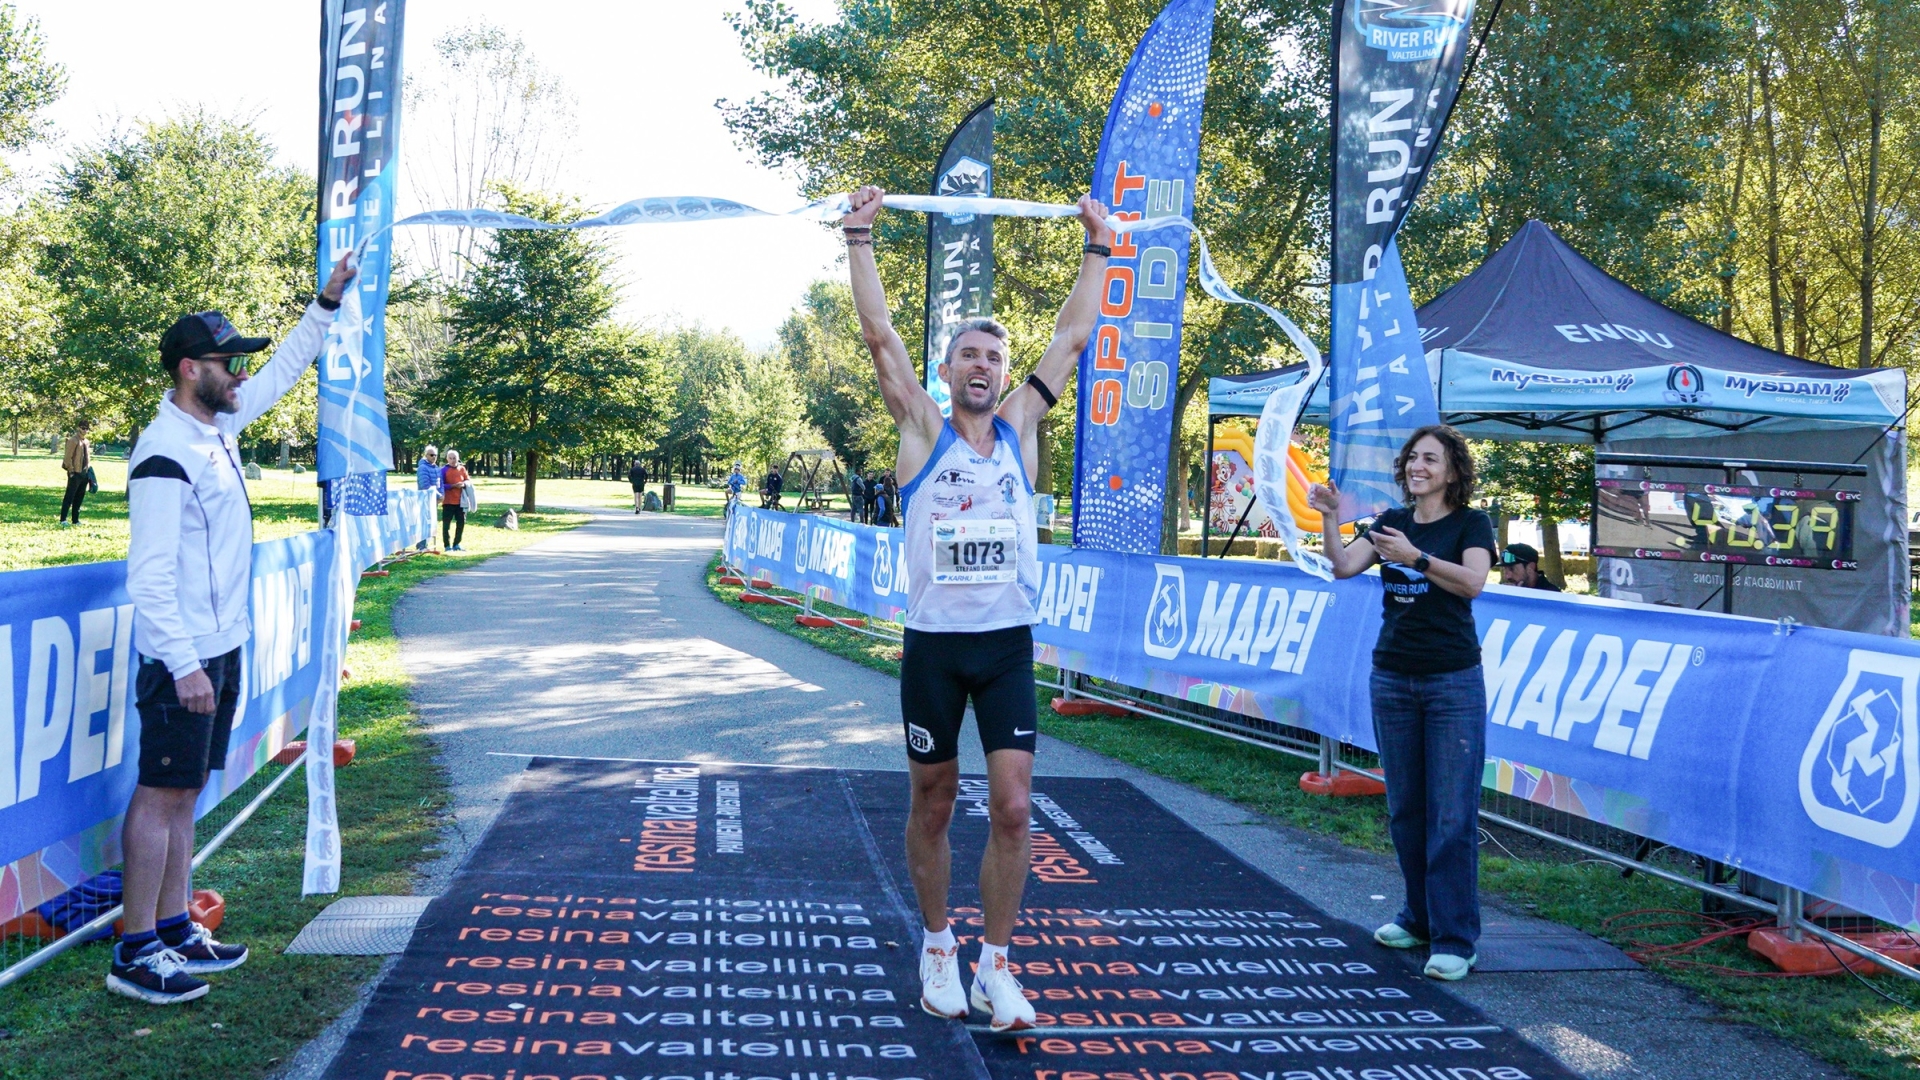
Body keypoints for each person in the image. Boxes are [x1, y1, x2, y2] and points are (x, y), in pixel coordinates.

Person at [843, 183, 1112, 1030]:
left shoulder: (1026, 427)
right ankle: (936, 948)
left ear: (1003, 372)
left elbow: (1072, 335)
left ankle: (996, 963)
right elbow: (880, 337)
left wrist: (1098, 247)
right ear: (950, 368)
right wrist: (859, 238)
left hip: (1003, 648)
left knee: (1014, 806)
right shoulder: (921, 427)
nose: (982, 366)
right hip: (933, 647)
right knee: (931, 801)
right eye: (968, 354)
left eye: (993, 357)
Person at [118, 254, 357, 1005]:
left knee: (186, 792)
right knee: (160, 795)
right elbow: (149, 577)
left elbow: (285, 369)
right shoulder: (165, 452)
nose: (242, 376)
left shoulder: (217, 424)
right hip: (180, 659)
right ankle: (133, 950)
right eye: (228, 364)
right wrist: (186, 665)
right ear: (192, 370)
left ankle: (174, 928)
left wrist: (325, 302)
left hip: (217, 648)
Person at [1308, 424, 1495, 983]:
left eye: (1430, 459)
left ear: (1453, 471)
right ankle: (1417, 918)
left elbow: (1474, 583)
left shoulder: (1471, 523)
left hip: (1451, 684)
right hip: (1391, 679)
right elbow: (1343, 566)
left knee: (1451, 814)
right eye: (1413, 458)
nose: (1418, 467)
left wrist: (1417, 559)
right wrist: (1328, 514)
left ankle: (1456, 939)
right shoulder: (1391, 521)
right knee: (1406, 809)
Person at [59, 419, 92, 526]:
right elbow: (67, 457)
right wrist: (71, 471)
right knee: (69, 496)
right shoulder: (73, 440)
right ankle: (63, 519)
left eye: (87, 428)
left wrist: (88, 472)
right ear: (78, 428)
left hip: (84, 473)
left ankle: (75, 520)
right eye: (83, 428)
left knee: (79, 498)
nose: (85, 430)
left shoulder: (86, 442)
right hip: (75, 473)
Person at [440, 450, 471, 551]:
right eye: (450, 458)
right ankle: (447, 545)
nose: (453, 460)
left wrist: (464, 484)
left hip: (460, 502)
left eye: (454, 458)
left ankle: (456, 544)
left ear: (458, 458)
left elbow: (467, 480)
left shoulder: (462, 468)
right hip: (448, 502)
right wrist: (453, 486)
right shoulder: (444, 470)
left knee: (461, 523)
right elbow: (441, 485)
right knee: (446, 525)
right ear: (447, 459)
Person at [414, 445, 441, 550]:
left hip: (434, 499)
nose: (434, 457)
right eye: (431, 455)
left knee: (431, 522)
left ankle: (426, 544)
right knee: (424, 521)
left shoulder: (436, 468)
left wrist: (441, 495)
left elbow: (440, 484)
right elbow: (424, 485)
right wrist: (439, 495)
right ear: (426, 455)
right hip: (424, 499)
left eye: (435, 455)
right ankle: (421, 544)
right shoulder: (422, 468)